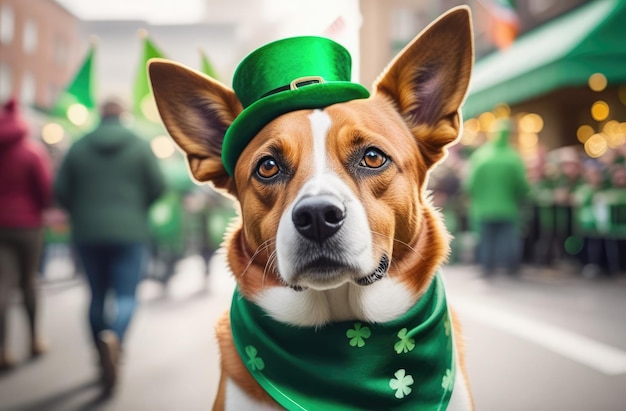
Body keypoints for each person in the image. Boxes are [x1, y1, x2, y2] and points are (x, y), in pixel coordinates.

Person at [54, 99, 165, 395]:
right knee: (127, 296)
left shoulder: (78, 146)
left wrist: (81, 210)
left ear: (100, 114)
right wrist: (136, 207)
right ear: (123, 115)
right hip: (130, 232)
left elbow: (61, 190)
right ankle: (114, 340)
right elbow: (158, 186)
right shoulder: (140, 146)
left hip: (87, 232)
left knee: (96, 296)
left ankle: (100, 354)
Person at [0, 97, 53, 370]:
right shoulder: (32, 152)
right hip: (28, 225)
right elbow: (45, 190)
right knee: (28, 281)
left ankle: (2, 349)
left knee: (2, 286)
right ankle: (33, 338)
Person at [465, 119, 530, 276]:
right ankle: (511, 267)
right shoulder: (514, 157)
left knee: (486, 239)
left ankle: (487, 268)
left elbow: (470, 184)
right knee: (508, 239)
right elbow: (522, 185)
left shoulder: (480, 156)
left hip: (483, 208)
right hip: (508, 207)